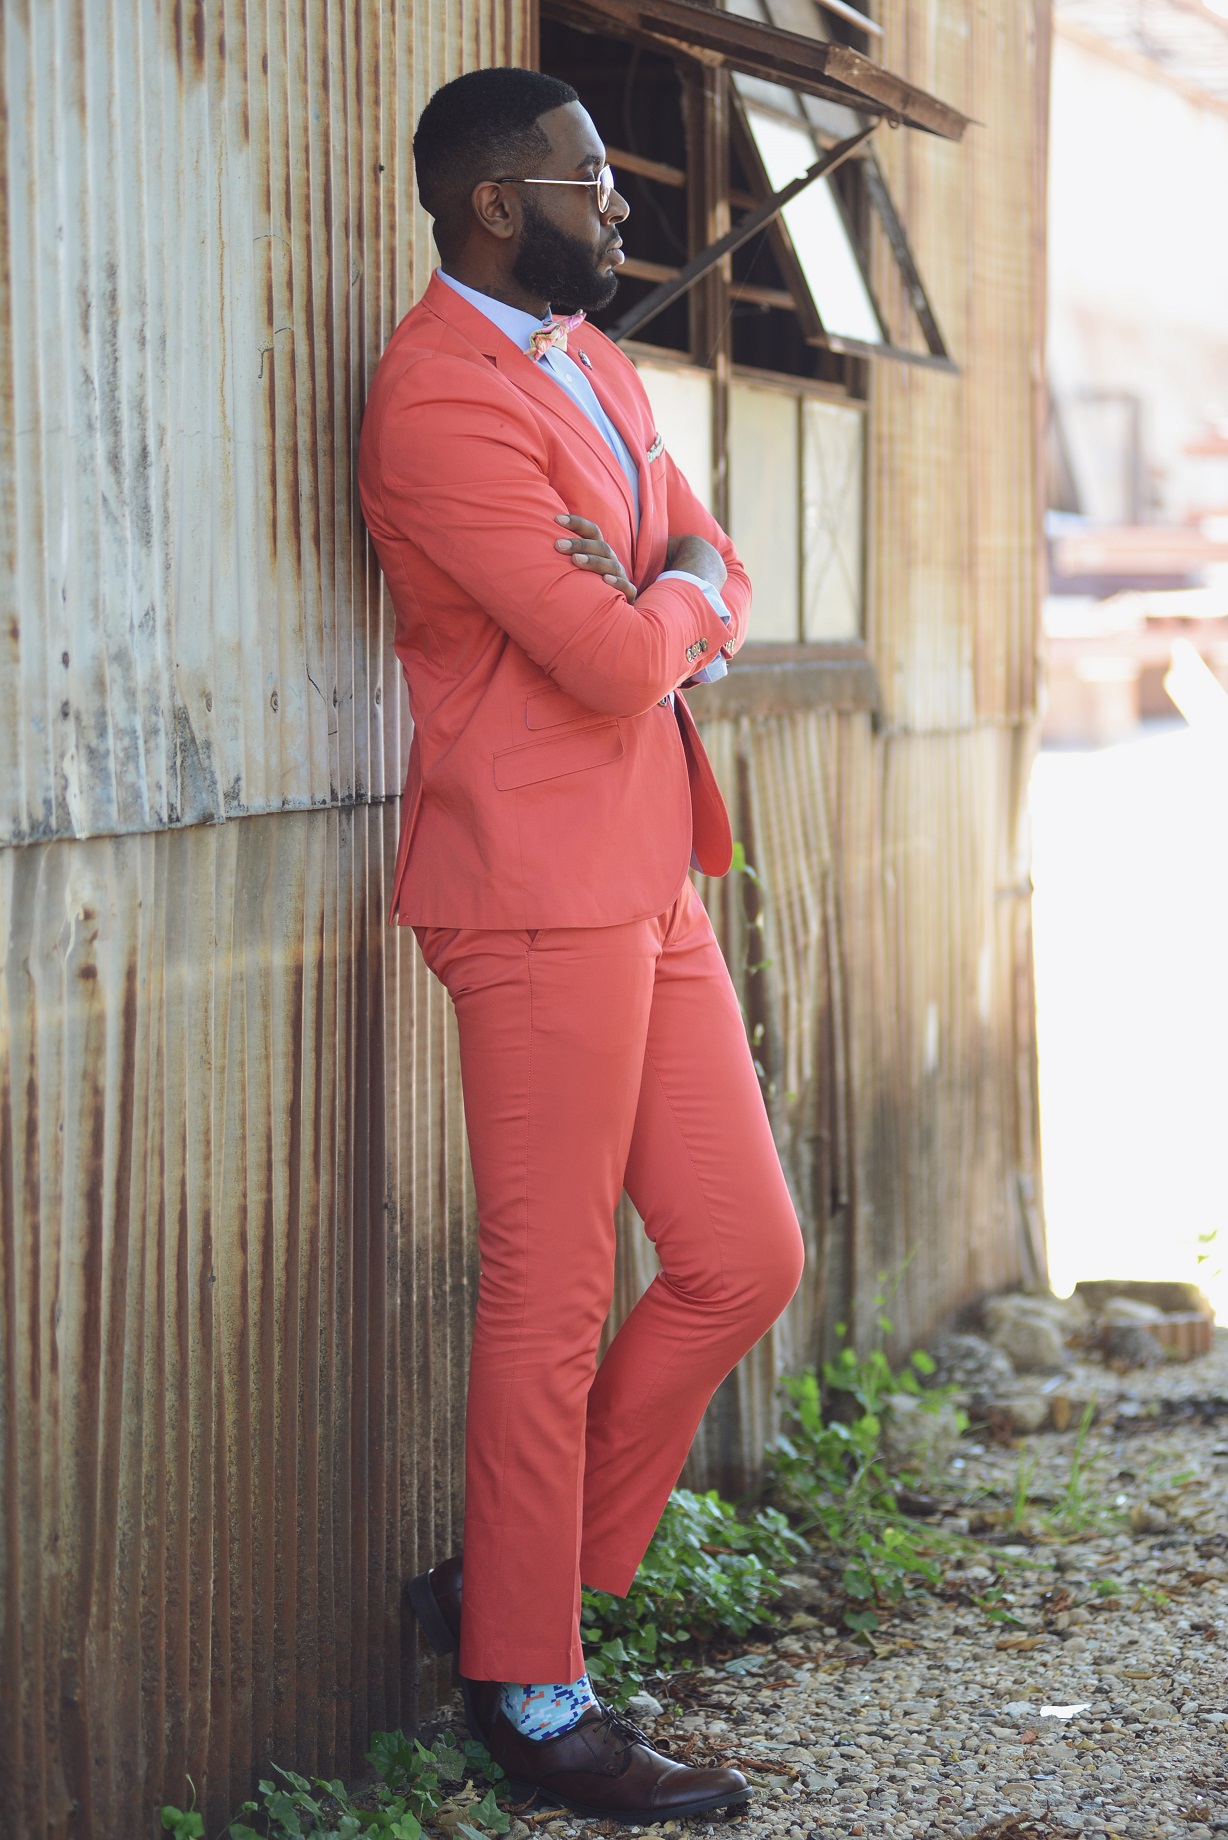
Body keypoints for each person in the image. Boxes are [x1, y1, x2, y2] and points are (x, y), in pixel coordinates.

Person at [358, 65, 804, 1825]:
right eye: (587, 180)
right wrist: (673, 597)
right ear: (495, 204)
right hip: (534, 893)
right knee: (549, 1302)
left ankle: (511, 1583)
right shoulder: (436, 402)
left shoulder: (590, 360)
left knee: (743, 1256)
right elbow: (620, 658)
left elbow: (710, 563)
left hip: (646, 870)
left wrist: (670, 585)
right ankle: (532, 1697)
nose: (617, 206)